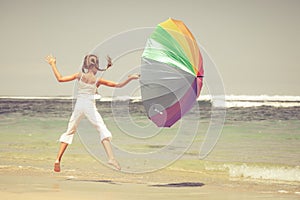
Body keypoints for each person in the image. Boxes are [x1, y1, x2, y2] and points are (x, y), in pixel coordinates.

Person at [45, 54, 139, 172]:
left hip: (79, 106)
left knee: (70, 131)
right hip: (89, 106)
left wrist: (52, 64)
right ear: (97, 65)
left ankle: (58, 159)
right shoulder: (98, 80)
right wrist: (131, 78)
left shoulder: (79, 76)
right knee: (102, 128)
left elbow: (60, 79)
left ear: (85, 65)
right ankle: (111, 158)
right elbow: (118, 85)